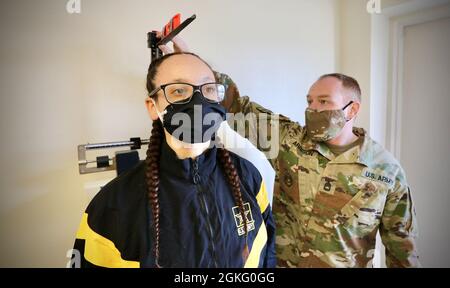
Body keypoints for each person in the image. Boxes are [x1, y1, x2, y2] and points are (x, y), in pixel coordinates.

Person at [159, 36, 420, 268]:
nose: (313, 109)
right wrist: (190, 61)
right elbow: (237, 104)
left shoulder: (386, 171)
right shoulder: (290, 141)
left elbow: (401, 248)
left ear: (352, 109)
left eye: (324, 101)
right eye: (310, 101)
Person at [71, 51, 276, 268]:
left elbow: (267, 254)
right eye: (179, 90)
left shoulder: (248, 177)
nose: (198, 102)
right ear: (153, 106)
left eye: (208, 89)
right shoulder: (113, 206)